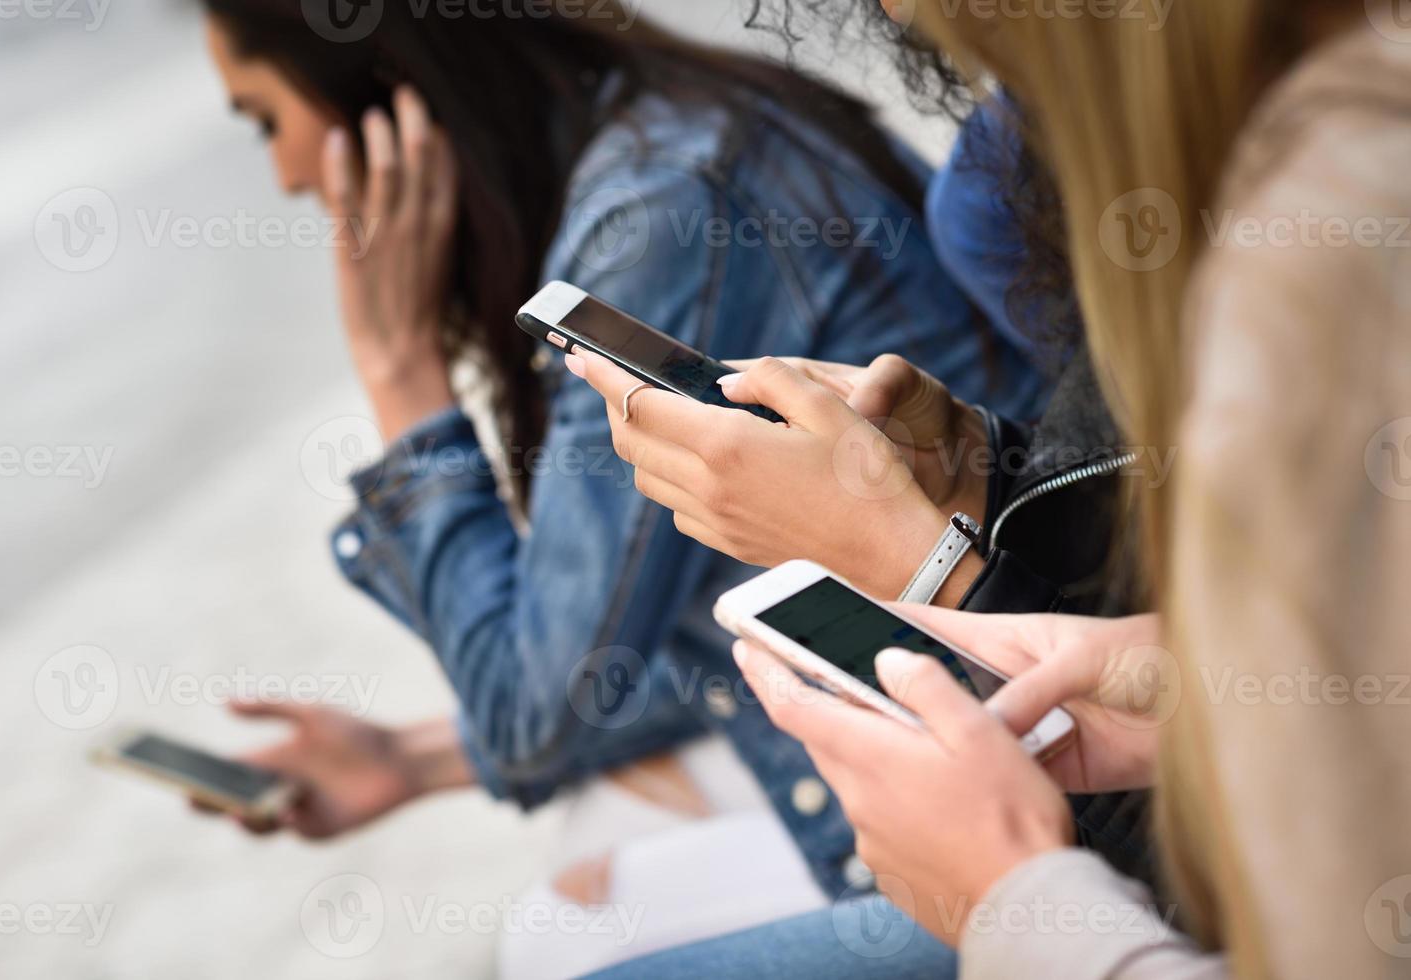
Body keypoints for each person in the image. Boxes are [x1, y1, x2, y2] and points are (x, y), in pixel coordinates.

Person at [194, 0, 1048, 972]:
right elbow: (669, 636)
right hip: (982, 653)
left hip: (1021, 726)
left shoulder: (653, 215)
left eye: (267, 121)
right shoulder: (667, 128)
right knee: (583, 857)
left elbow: (533, 712)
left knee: (565, 930)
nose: (287, 175)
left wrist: (399, 375)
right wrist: (418, 758)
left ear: (382, 86)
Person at [594, 0, 1411, 976]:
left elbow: (524, 726)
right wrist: (982, 473)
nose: (894, 19)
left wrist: (1011, 898)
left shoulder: (1318, 246)